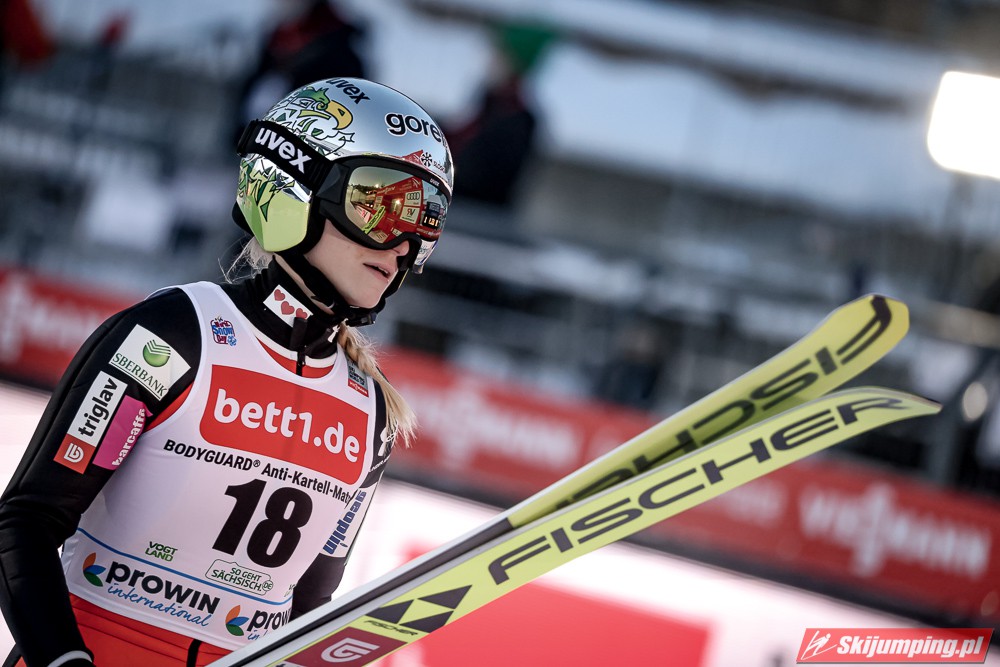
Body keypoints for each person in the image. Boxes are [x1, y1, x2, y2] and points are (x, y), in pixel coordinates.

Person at [0, 77, 453, 667]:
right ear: (295, 186)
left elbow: (308, 612)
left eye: (425, 222)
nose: (403, 245)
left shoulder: (372, 417)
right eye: (380, 209)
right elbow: (26, 522)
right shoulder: (171, 337)